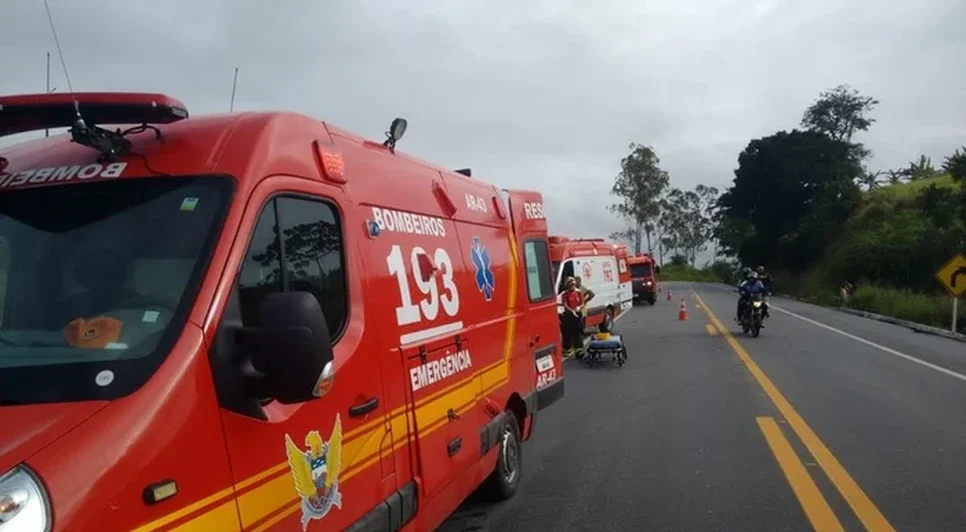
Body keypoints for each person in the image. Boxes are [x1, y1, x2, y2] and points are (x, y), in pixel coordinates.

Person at [560, 277, 584, 358]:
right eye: (571, 285)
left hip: (577, 315)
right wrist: (571, 311)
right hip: (568, 316)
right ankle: (567, 349)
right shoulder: (565, 294)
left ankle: (579, 350)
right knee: (567, 333)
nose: (573, 287)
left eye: (574, 285)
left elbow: (582, 302)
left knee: (578, 332)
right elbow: (565, 304)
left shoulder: (578, 293)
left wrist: (579, 307)